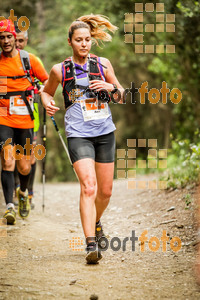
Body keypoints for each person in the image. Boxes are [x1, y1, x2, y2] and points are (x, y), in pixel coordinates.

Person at [41, 14, 124, 264]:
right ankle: (90, 245)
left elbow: (121, 95)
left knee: (106, 192)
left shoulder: (103, 64)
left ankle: (96, 221)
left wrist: (112, 89)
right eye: (79, 40)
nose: (84, 44)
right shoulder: (60, 69)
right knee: (89, 187)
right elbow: (45, 92)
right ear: (70, 42)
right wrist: (48, 103)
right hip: (78, 134)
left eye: (88, 39)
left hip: (105, 132)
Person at [0, 20, 48, 225]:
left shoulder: (29, 60)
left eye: (9, 36)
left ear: (15, 38)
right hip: (3, 117)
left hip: (26, 117)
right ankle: (9, 206)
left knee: (25, 166)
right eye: (1, 37)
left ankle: (23, 192)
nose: (6, 41)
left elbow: (47, 81)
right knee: (8, 160)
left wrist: (43, 94)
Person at [13, 28, 44, 209]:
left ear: (26, 40)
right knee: (12, 155)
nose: (17, 44)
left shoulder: (31, 60)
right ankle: (16, 192)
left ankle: (28, 193)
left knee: (29, 157)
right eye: (14, 40)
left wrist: (38, 89)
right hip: (9, 117)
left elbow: (44, 83)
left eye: (21, 41)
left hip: (30, 118)